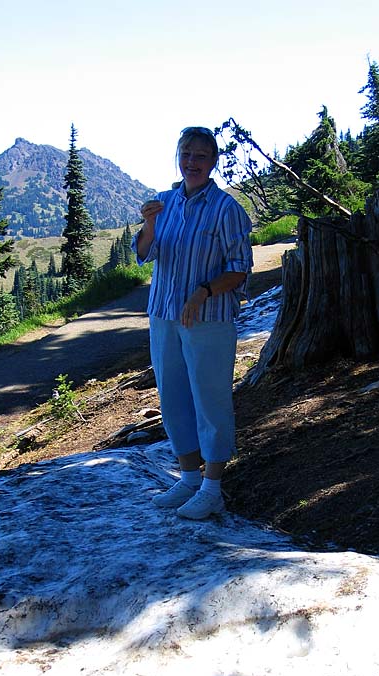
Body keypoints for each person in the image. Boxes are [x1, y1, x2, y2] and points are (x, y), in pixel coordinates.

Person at [132, 126, 253, 520]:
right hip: (164, 314)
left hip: (208, 319)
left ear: (214, 161)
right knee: (172, 397)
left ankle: (213, 487)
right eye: (186, 154)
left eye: (201, 155)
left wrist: (203, 291)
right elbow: (144, 254)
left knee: (210, 398)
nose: (192, 162)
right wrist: (149, 227)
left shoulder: (226, 209)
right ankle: (188, 477)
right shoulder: (163, 204)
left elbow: (239, 269)